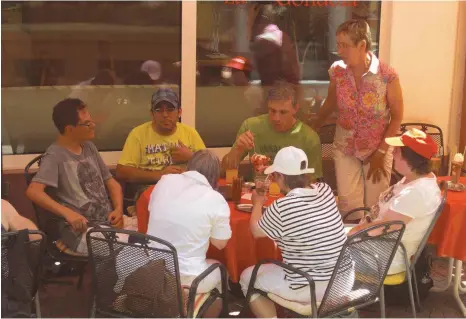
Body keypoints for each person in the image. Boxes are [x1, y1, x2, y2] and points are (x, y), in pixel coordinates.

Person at [240, 146, 351, 318]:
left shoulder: (282, 207)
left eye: (274, 175)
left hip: (312, 286)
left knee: (247, 277)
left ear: (281, 177)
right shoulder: (326, 190)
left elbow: (256, 231)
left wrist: (257, 204)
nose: (274, 180)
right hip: (343, 281)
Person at [310, 19, 404, 221]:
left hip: (377, 149)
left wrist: (380, 152)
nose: (339, 51)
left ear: (362, 45)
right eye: (338, 44)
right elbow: (331, 103)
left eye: (345, 45)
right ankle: (350, 249)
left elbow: (397, 117)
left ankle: (371, 250)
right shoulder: (337, 71)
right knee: (349, 206)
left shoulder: (387, 76)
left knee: (376, 207)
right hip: (345, 148)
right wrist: (314, 124)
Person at [26, 98, 123, 255]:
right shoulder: (55, 155)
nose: (93, 126)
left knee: (151, 236)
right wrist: (67, 213)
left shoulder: (89, 147)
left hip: (107, 224)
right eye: (87, 124)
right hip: (81, 232)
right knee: (135, 248)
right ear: (70, 129)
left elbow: (112, 183)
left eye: (92, 121)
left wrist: (118, 209)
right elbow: (33, 191)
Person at [147, 150, 231, 317]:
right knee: (222, 273)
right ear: (215, 176)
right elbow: (219, 243)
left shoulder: (165, 181)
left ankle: (174, 304)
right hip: (186, 275)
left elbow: (151, 209)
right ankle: (193, 309)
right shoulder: (215, 199)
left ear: (189, 166)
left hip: (151, 267)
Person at [348, 128, 441, 275]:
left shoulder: (417, 192)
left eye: (397, 151)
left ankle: (325, 295)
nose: (392, 153)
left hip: (382, 258)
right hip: (374, 247)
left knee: (321, 253)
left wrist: (350, 233)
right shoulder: (411, 179)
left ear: (409, 159)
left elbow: (384, 228)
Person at [222, 82, 323, 180]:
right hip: (260, 191)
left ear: (295, 109)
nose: (276, 118)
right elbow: (223, 171)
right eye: (272, 111)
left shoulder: (309, 138)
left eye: (283, 112)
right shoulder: (251, 126)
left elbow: (313, 183)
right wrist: (237, 151)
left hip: (293, 194)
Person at [116, 88, 206, 184]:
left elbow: (210, 166)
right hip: (150, 189)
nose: (165, 115)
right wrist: (160, 175)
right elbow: (121, 172)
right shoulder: (138, 134)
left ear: (179, 112)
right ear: (152, 114)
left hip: (184, 188)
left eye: (170, 110)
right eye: (159, 110)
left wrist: (191, 157)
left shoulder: (189, 133)